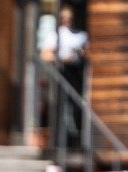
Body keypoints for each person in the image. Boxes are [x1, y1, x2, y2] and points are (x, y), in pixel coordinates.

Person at [40, 5, 88, 144]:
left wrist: (79, 53)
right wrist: (60, 58)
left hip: (76, 72)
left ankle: (78, 138)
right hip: (60, 72)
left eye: (69, 17)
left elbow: (89, 52)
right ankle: (57, 139)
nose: (67, 20)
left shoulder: (81, 35)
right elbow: (45, 54)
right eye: (64, 17)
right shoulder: (56, 35)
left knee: (77, 106)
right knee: (58, 105)